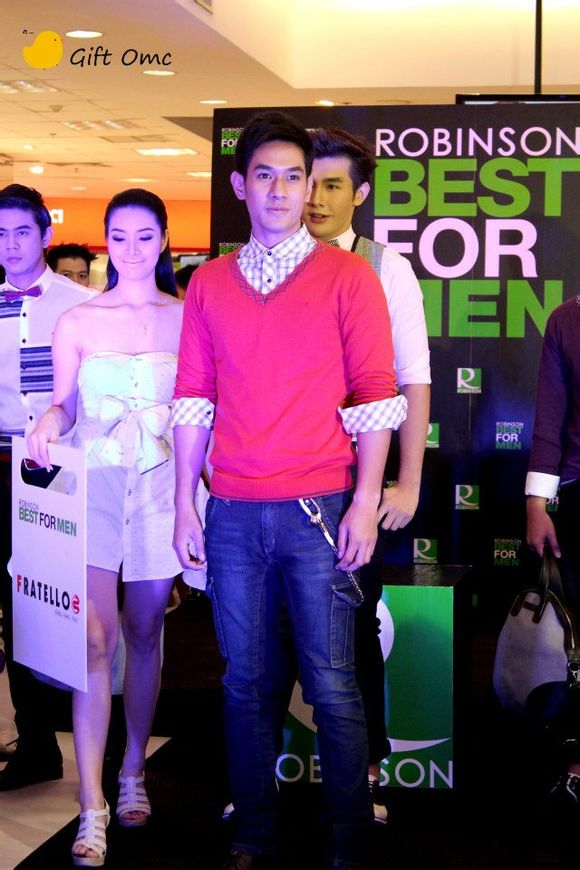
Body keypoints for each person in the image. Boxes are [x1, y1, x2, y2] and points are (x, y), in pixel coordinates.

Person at [172, 111, 406, 870]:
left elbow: (376, 395)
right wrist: (183, 503)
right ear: (240, 185)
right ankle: (253, 833)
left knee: (334, 685)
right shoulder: (209, 283)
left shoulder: (350, 276)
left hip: (321, 511)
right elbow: (193, 397)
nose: (280, 190)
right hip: (233, 513)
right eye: (264, 175)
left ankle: (347, 838)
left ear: (310, 188)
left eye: (294, 176)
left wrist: (365, 501)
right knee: (244, 684)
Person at [27, 188, 185, 867]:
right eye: (119, 237)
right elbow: (63, 403)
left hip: (160, 490)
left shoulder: (188, 317)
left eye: (145, 236)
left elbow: (200, 409)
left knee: (145, 632)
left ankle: (132, 770)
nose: (132, 249)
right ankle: (91, 803)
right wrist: (49, 419)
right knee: (95, 639)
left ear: (164, 239)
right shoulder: (78, 320)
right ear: (106, 242)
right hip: (94, 487)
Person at [303, 126, 431, 821]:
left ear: (359, 194)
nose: (315, 198)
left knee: (352, 626)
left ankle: (365, 774)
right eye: (308, 182)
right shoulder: (265, 259)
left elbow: (413, 378)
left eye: (332, 185)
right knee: (265, 634)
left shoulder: (387, 268)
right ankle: (257, 780)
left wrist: (405, 482)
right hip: (272, 475)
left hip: (356, 479)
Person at [0, 184, 94, 791]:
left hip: (54, 468)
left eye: (21, 233)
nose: (10, 246)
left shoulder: (81, 305)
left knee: (40, 603)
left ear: (45, 235)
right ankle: (31, 740)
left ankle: (56, 742)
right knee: (8, 606)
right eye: (0, 234)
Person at [526, 295, 580, 806]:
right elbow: (549, 418)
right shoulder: (566, 319)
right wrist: (536, 503)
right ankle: (577, 765)